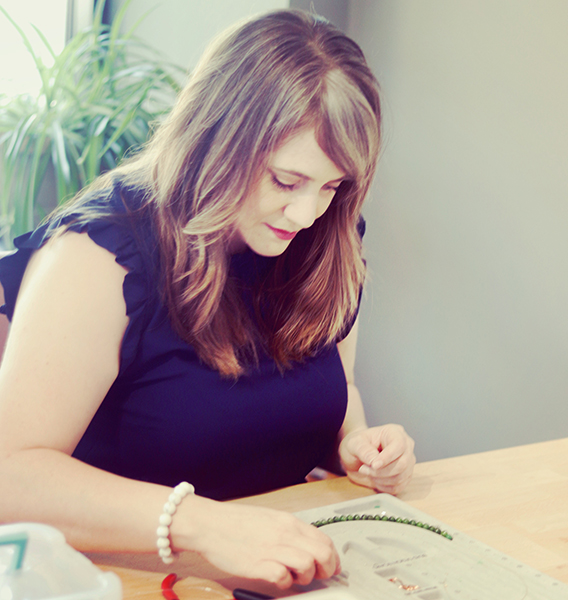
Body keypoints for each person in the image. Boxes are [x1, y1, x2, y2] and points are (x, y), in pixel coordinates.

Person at [0, 9, 415, 590]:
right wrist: (200, 524)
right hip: (123, 578)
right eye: (286, 181)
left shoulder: (326, 236)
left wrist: (356, 445)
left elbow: (333, 390)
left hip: (282, 568)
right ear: (215, 141)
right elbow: (10, 478)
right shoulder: (99, 255)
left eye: (332, 186)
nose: (306, 213)